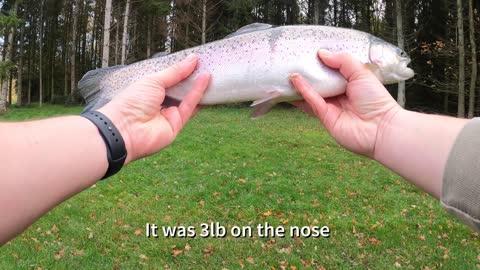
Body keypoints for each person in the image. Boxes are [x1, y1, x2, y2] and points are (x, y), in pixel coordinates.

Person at [0, 50, 477, 245]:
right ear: (375, 54)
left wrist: (388, 126)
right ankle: (112, 88)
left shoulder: (360, 64)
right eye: (397, 52)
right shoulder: (359, 55)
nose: (402, 59)